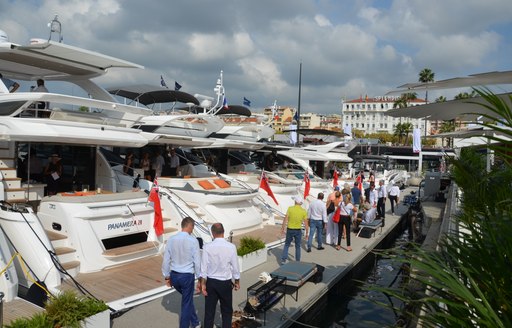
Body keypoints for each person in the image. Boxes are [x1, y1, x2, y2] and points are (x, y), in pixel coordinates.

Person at [161, 217, 201, 328]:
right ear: (190, 226)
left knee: (187, 300)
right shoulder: (193, 241)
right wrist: (200, 279)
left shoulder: (171, 239)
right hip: (187, 277)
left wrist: (167, 276)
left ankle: (195, 322)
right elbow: (197, 263)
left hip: (174, 276)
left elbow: (166, 261)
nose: (193, 229)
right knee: (186, 304)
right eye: (193, 227)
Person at [199, 223, 240, 328]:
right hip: (225, 283)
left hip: (211, 283)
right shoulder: (231, 247)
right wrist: (237, 282)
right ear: (223, 232)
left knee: (209, 312)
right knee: (226, 311)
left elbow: (203, 269)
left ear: (213, 233)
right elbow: (235, 267)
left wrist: (202, 284)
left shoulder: (207, 247)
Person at [280, 196, 308, 265]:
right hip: (298, 230)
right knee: (298, 246)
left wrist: (282, 228)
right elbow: (306, 223)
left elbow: (285, 219)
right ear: (300, 203)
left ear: (295, 201)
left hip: (290, 229)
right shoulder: (303, 211)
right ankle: (297, 261)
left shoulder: (290, 208)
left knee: (287, 244)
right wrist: (307, 233)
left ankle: (284, 260)